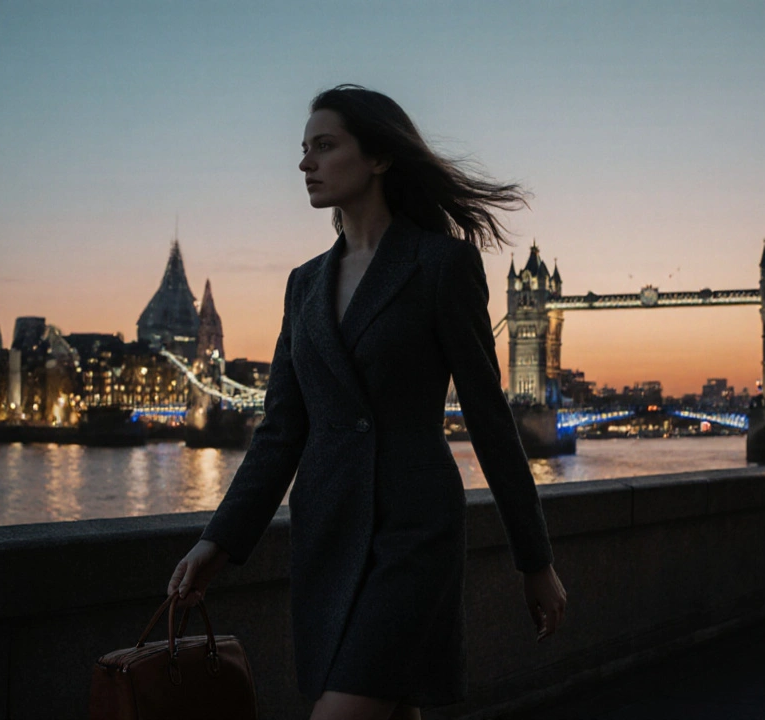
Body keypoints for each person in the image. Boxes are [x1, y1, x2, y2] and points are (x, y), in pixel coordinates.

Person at [166, 84, 567, 720]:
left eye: (325, 146)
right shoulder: (303, 285)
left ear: (378, 158)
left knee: (346, 707)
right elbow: (280, 432)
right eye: (303, 150)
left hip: (414, 532)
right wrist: (218, 542)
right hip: (326, 530)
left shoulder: (441, 265)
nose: (305, 163)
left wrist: (535, 560)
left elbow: (491, 421)